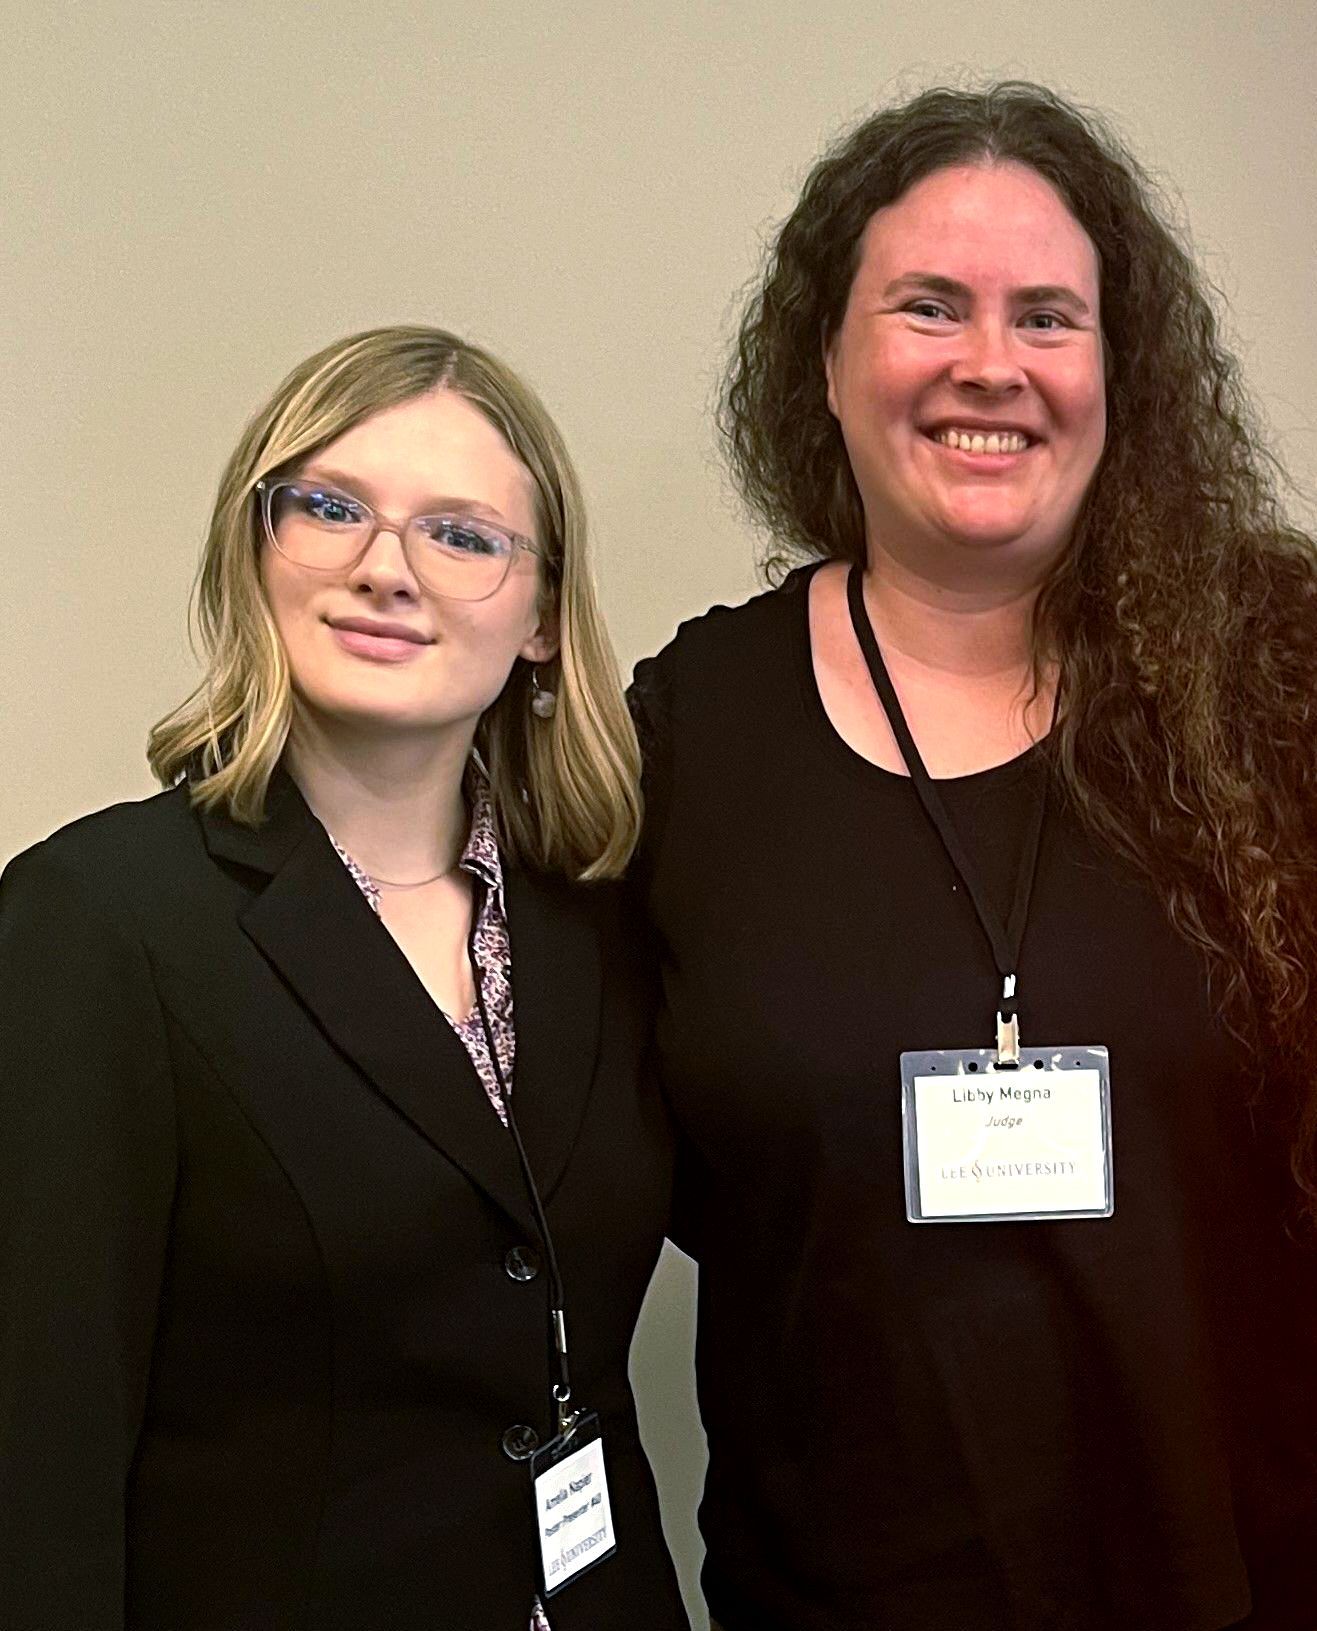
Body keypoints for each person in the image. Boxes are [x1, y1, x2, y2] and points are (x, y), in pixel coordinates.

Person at [631, 84, 1317, 1631]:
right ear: (824, 359)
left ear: (1116, 374)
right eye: (926, 307)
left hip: (1238, 1579)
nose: (988, 364)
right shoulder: (694, 728)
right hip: (828, 1592)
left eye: (1046, 317)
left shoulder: (1279, 682)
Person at [0, 325, 688, 1631]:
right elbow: (36, 1455)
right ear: (255, 552)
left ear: (543, 614)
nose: (387, 569)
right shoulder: (98, 924)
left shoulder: (603, 926)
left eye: (461, 534)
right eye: (330, 510)